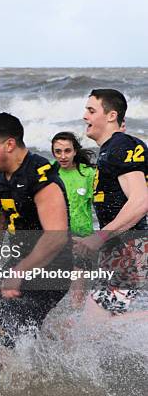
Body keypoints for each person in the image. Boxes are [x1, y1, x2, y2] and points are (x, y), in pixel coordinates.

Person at [0, 113, 72, 348]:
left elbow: (56, 235)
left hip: (52, 270)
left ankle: (32, 374)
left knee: (7, 324)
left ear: (9, 144)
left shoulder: (40, 174)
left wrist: (20, 272)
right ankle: (35, 352)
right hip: (18, 262)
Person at [74, 89, 148, 321]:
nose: (85, 116)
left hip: (129, 250)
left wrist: (100, 237)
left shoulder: (120, 146)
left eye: (91, 110)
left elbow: (140, 201)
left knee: (93, 329)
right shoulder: (109, 149)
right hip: (119, 249)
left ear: (111, 116)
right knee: (101, 325)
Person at [50, 132, 96, 307]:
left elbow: (102, 207)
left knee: (77, 300)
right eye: (58, 151)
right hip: (56, 240)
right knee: (50, 294)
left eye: (67, 151)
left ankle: (75, 331)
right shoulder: (48, 173)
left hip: (82, 242)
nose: (63, 156)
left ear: (75, 151)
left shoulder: (89, 174)